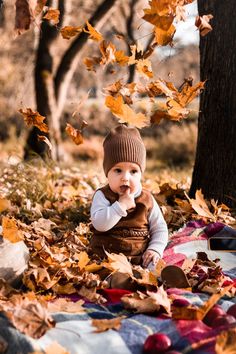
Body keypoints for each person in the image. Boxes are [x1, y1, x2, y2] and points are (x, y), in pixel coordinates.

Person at [89, 124, 168, 269]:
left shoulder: (147, 199)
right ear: (107, 173)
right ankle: (119, 280)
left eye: (133, 171)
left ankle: (160, 278)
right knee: (107, 271)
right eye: (118, 170)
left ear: (141, 174)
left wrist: (154, 249)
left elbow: (159, 228)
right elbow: (100, 224)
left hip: (140, 257)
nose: (125, 178)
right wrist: (120, 206)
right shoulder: (102, 196)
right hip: (107, 257)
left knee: (154, 264)